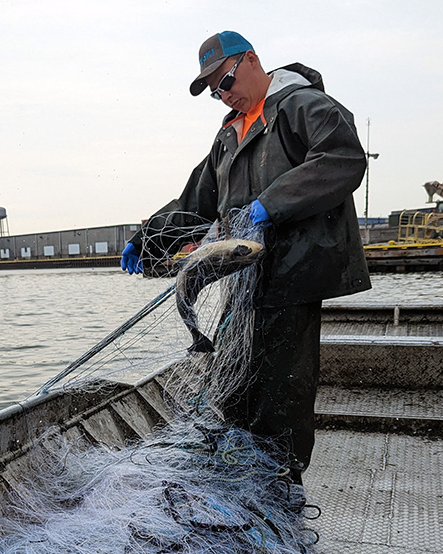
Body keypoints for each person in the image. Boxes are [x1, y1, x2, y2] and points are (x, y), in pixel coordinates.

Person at [121, 31, 371, 482]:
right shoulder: (227, 136)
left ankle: (281, 490)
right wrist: (144, 238)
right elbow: (194, 201)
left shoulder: (302, 105)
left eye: (227, 80)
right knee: (233, 387)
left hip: (293, 274)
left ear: (253, 61)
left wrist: (269, 205)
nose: (223, 94)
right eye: (213, 90)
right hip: (243, 279)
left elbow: (341, 157)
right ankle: (240, 482)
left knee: (282, 392)